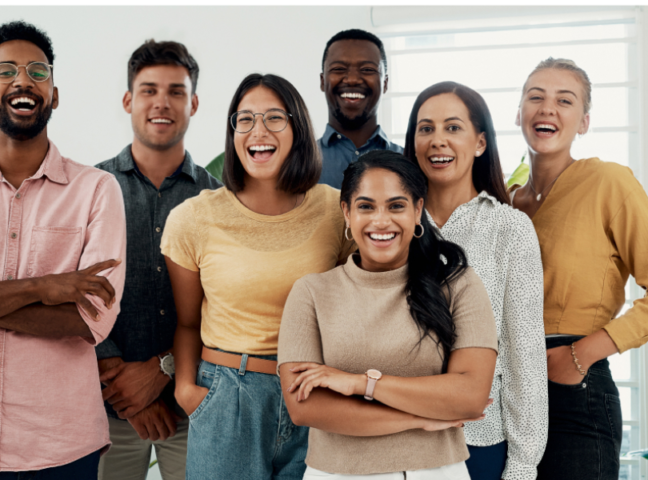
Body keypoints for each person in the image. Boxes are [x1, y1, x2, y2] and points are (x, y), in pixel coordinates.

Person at [0, 21, 126, 479]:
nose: (23, 80)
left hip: (58, 445)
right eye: (6, 70)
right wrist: (44, 286)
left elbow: (88, 319)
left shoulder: (97, 190)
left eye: (38, 71)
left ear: (54, 94)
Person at [162, 73, 355, 479]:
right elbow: (186, 322)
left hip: (312, 392)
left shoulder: (336, 210)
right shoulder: (194, 218)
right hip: (227, 396)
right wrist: (186, 390)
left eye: (273, 118)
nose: (258, 131)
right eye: (244, 119)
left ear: (298, 127)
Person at [278, 150, 499, 479]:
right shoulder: (311, 292)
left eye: (396, 206)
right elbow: (304, 407)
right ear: (347, 213)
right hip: (337, 474)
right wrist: (418, 420)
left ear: (417, 211)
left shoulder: (458, 284)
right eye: (366, 206)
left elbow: (470, 396)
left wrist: (360, 384)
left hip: (436, 472)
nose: (381, 221)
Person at [510, 57, 648, 480]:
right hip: (505, 392)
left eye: (564, 101)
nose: (547, 108)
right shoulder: (504, 199)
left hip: (576, 390)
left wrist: (581, 354)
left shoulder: (610, 183)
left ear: (584, 122)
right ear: (519, 113)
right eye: (535, 97)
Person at [404, 82, 548, 480]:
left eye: (453, 128)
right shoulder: (390, 225)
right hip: (394, 436)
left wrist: (522, 465)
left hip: (478, 441)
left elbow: (525, 355)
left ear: (480, 142)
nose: (437, 141)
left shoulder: (510, 229)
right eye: (425, 128)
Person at [95, 40, 221, 480]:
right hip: (103, 409)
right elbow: (70, 290)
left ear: (194, 103)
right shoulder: (90, 190)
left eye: (176, 91)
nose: (161, 103)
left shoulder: (218, 199)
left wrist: (163, 370)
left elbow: (225, 302)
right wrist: (121, 383)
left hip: (193, 407)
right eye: (148, 90)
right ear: (128, 100)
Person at [317, 29, 403, 189]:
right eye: (339, 69)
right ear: (322, 81)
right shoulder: (297, 163)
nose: (352, 80)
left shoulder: (410, 162)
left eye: (367, 70)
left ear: (385, 83)